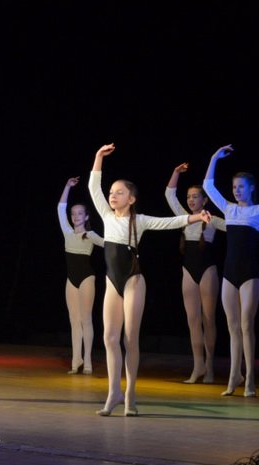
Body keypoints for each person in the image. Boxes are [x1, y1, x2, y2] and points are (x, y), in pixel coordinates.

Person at [88, 144, 211, 416]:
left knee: (130, 339)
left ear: (131, 199)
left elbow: (169, 222)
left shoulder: (140, 220)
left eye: (119, 192)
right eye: (112, 192)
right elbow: (93, 188)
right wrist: (98, 158)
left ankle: (130, 394)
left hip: (133, 281)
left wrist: (196, 217)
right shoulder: (106, 216)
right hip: (112, 282)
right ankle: (113, 393)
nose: (112, 195)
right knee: (109, 337)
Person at [203, 145, 259, 397]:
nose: (236, 190)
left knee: (247, 326)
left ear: (251, 188)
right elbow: (208, 187)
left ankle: (250, 380)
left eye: (241, 187)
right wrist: (214, 158)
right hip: (229, 274)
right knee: (232, 327)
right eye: (234, 187)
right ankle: (234, 377)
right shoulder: (229, 208)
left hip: (250, 275)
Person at [165, 163, 226, 384]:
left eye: (195, 197)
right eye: (189, 197)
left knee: (208, 320)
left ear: (205, 200)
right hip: (188, 271)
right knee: (193, 320)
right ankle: (197, 365)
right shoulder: (184, 217)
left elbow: (236, 226)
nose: (191, 200)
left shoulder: (213, 220)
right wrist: (176, 172)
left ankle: (209, 367)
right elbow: (170, 196)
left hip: (207, 270)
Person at [58, 177, 104, 375]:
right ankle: (76, 361)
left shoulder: (90, 235)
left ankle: (88, 361)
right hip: (71, 280)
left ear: (86, 217)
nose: (75, 216)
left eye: (79, 214)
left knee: (86, 319)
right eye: (73, 213)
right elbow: (60, 208)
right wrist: (67, 186)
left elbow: (108, 244)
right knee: (73, 320)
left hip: (87, 279)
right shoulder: (67, 232)